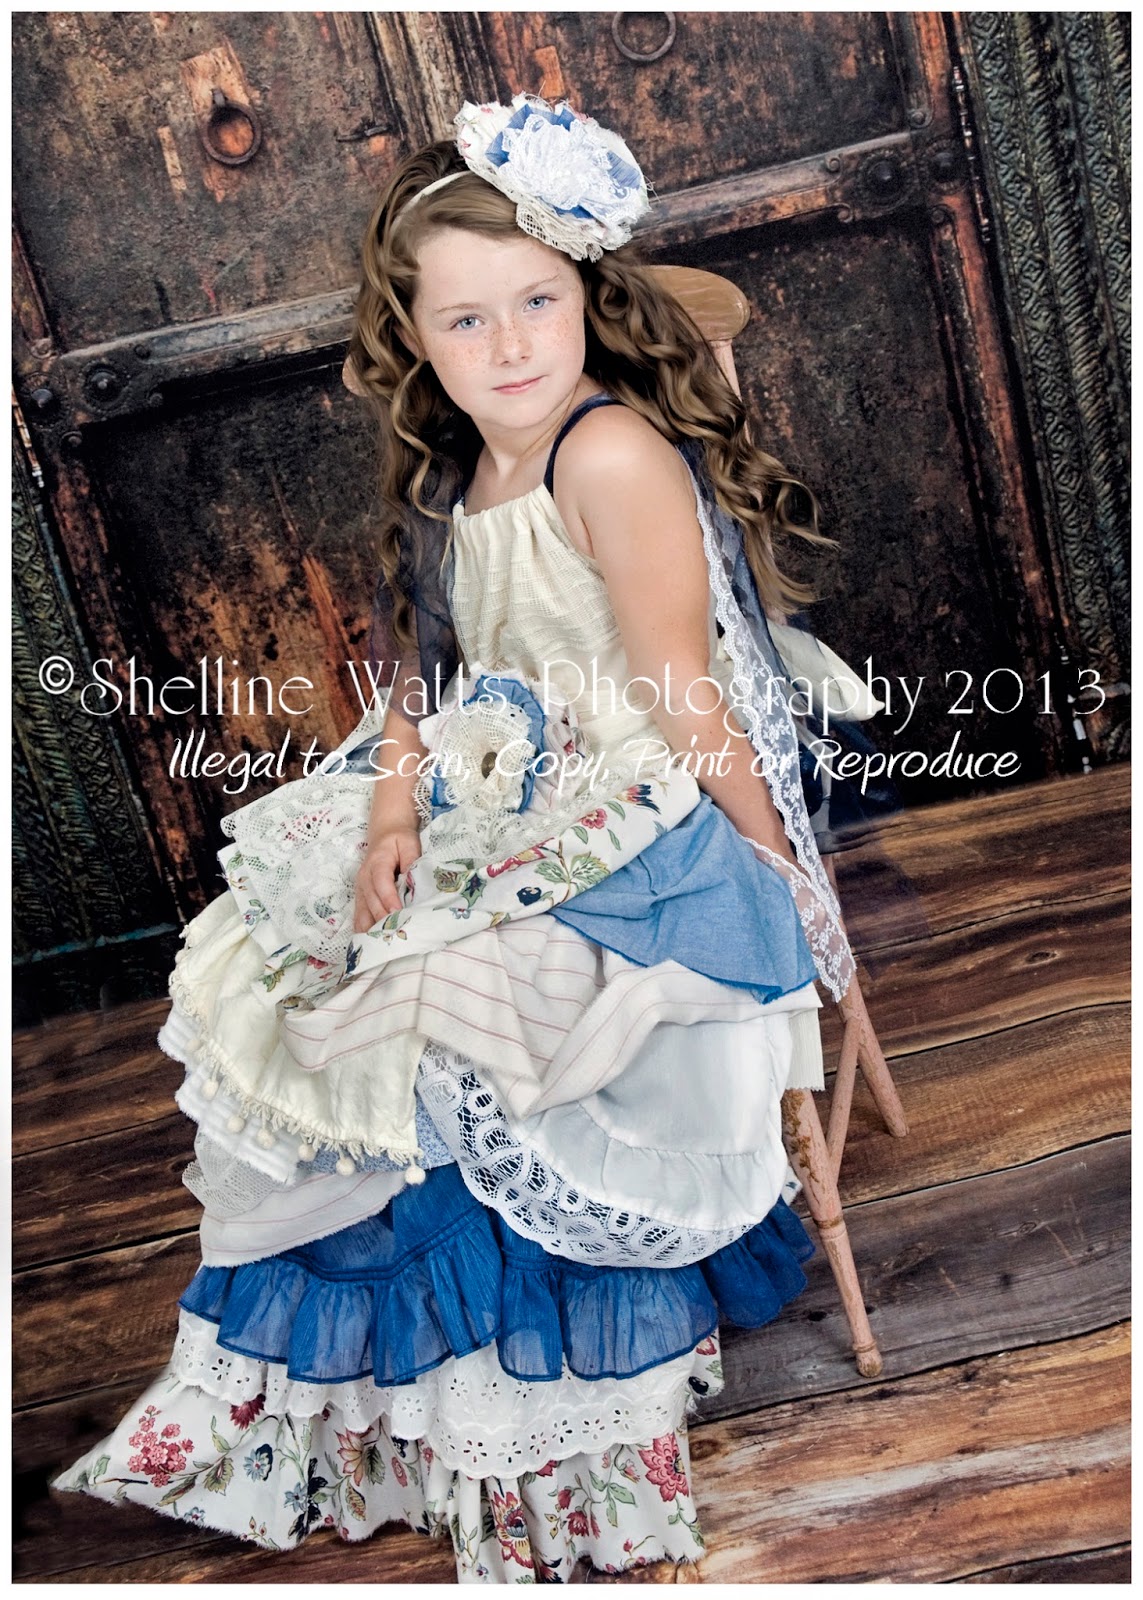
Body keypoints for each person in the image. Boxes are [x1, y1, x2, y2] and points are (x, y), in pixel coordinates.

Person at [54, 92, 871, 1582]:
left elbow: (681, 692)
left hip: (631, 799)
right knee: (288, 962)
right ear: (415, 339)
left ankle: (528, 1405)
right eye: (467, 319)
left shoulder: (605, 457)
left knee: (446, 1004)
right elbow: (422, 679)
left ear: (583, 294)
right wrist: (389, 804)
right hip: (492, 778)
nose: (510, 347)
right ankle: (382, 1399)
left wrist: (777, 869)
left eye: (538, 302)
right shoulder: (449, 474)